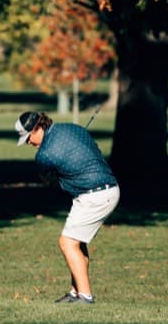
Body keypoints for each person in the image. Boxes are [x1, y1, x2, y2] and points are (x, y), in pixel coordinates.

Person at [15, 110, 120, 305]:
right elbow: (93, 150)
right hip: (107, 189)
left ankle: (85, 296)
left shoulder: (44, 155)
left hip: (95, 195)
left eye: (28, 137)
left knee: (67, 243)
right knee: (76, 243)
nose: (29, 142)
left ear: (37, 128)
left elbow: (50, 181)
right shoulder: (74, 128)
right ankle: (75, 291)